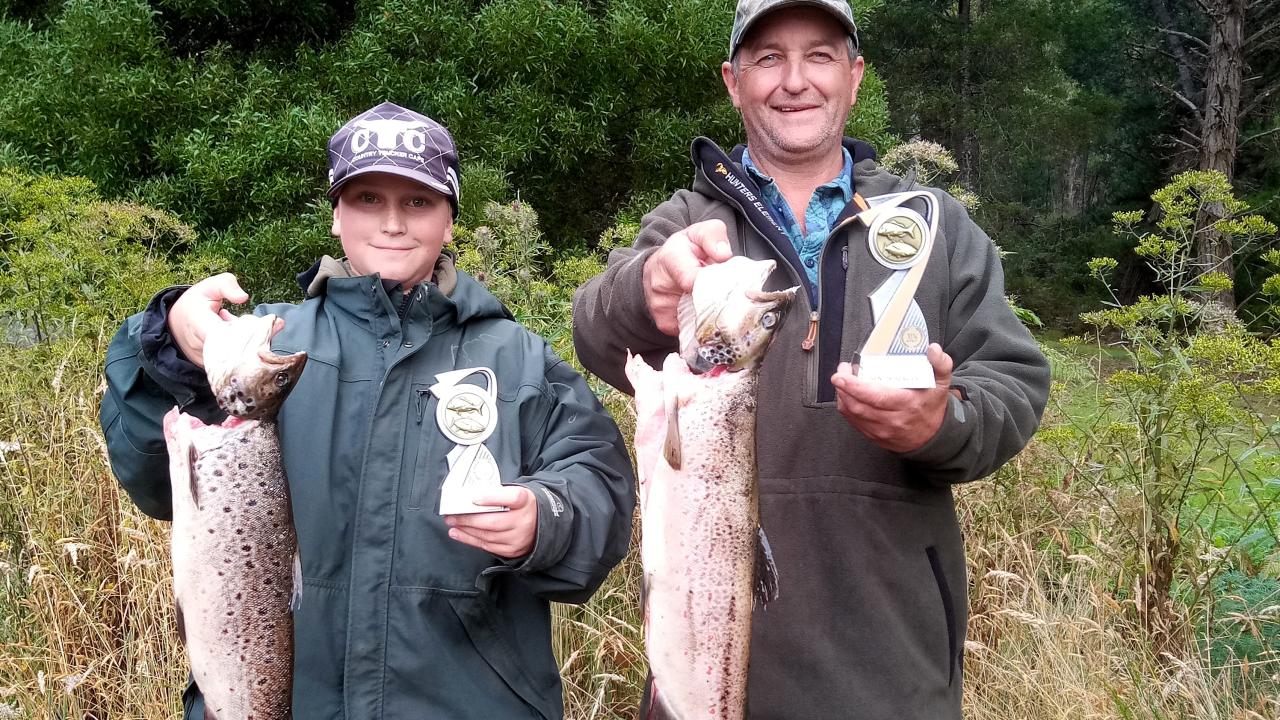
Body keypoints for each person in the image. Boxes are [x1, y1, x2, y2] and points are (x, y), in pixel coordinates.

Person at [571, 0, 1051, 716]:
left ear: (855, 77)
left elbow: (1013, 382)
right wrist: (647, 286)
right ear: (734, 82)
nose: (794, 80)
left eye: (819, 55)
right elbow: (596, 331)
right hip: (706, 663)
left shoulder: (932, 226)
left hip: (896, 672)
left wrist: (940, 425)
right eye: (768, 58)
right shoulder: (687, 222)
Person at [100, 101, 636, 719]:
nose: (391, 223)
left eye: (417, 202)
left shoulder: (520, 360)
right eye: (367, 200)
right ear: (335, 215)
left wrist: (547, 519)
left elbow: (599, 488)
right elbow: (147, 471)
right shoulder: (263, 347)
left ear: (450, 221)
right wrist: (171, 339)